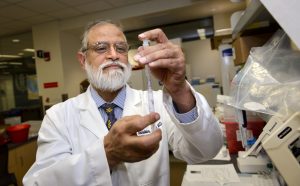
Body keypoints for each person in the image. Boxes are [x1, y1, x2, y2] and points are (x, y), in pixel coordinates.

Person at [23, 20, 223, 186]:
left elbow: (205, 151)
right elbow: (39, 182)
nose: (113, 55)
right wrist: (106, 154)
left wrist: (179, 90)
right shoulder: (58, 116)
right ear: (83, 60)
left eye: (121, 48)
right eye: (101, 48)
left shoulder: (156, 102)